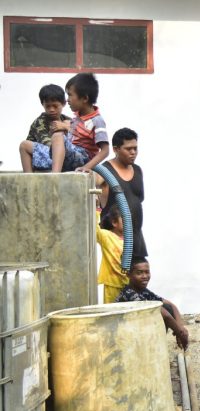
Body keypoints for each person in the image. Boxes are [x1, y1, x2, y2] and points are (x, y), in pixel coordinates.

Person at [115, 257, 189, 350]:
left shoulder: (143, 291)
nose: (144, 276)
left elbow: (171, 305)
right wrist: (180, 333)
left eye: (147, 272)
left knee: (167, 307)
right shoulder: (129, 293)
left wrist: (181, 328)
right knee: (161, 314)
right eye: (139, 273)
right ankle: (151, 349)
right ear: (128, 275)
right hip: (122, 338)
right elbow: (164, 315)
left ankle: (155, 347)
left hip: (137, 331)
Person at [97, 128, 148, 258]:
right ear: (116, 149)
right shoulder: (103, 171)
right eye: (128, 149)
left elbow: (138, 201)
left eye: (135, 148)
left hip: (137, 239)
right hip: (114, 245)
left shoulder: (137, 170)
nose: (133, 152)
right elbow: (88, 190)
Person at [48, 73, 109, 172]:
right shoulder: (77, 117)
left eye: (70, 95)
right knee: (25, 146)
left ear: (85, 98)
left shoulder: (97, 121)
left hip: (83, 158)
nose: (67, 100)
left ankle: (55, 176)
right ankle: (29, 178)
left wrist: (87, 167)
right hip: (71, 155)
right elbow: (71, 139)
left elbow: (105, 151)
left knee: (57, 136)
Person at [19, 84, 72, 172]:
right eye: (48, 106)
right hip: (44, 158)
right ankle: (28, 177)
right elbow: (49, 146)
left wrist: (66, 127)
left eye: (55, 106)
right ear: (42, 104)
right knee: (24, 145)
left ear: (63, 103)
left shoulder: (68, 120)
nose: (51, 109)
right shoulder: (40, 123)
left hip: (65, 157)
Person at [95, 205, 128, 303]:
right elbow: (95, 230)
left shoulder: (131, 239)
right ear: (114, 222)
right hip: (112, 284)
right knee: (112, 310)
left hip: (129, 284)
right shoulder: (107, 236)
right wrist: (97, 209)